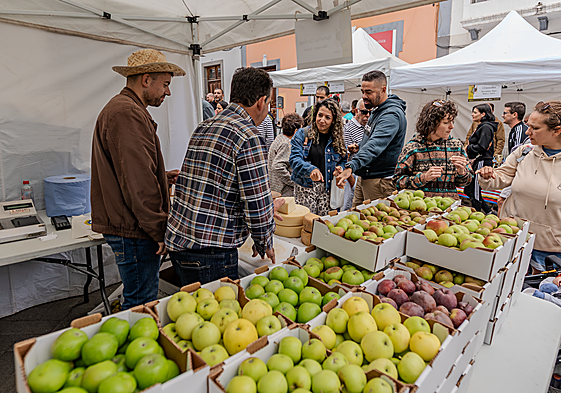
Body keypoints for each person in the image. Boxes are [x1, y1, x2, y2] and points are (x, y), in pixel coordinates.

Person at [165, 67, 284, 286]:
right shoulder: (248, 136)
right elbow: (255, 200)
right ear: (261, 102)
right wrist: (264, 239)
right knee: (219, 317)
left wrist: (266, 209)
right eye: (268, 104)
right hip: (211, 251)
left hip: (181, 243)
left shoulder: (205, 126)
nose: (267, 109)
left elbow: (213, 186)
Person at [91, 49, 185, 310]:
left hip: (131, 225)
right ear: (146, 79)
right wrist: (159, 229)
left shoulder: (125, 109)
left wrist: (161, 177)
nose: (167, 92)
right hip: (135, 229)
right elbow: (138, 184)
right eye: (165, 84)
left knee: (138, 298)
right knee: (141, 304)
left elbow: (129, 170)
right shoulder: (126, 114)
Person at [477, 101, 561, 274]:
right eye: (528, 126)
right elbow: (501, 177)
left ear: (557, 131)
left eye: (535, 128)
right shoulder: (525, 152)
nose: (528, 132)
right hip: (512, 241)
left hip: (550, 254)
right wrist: (487, 175)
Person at [336, 70, 407, 206]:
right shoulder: (377, 109)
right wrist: (360, 147)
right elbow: (373, 140)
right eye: (362, 91)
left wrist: (351, 166)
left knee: (376, 224)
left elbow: (375, 145)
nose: (364, 97)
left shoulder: (391, 115)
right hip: (366, 177)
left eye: (369, 92)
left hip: (379, 182)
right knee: (356, 221)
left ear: (383, 89)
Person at [393, 100, 473, 198]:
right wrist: (424, 178)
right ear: (431, 124)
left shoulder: (456, 146)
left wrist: (462, 171)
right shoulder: (413, 148)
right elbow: (397, 182)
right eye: (446, 122)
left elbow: (466, 182)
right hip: (421, 209)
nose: (451, 126)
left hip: (450, 209)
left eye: (452, 121)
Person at [290, 99, 347, 215]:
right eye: (320, 115)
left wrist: (340, 169)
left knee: (323, 225)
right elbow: (294, 159)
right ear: (315, 114)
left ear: (333, 121)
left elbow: (343, 159)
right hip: (305, 187)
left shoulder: (337, 139)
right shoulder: (303, 134)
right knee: (307, 223)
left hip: (327, 189)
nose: (322, 120)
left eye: (327, 117)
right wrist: (311, 169)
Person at [497, 102, 529, 213]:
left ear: (514, 115)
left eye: (505, 113)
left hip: (519, 173)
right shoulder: (515, 130)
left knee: (502, 200)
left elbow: (519, 155)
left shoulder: (520, 130)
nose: (502, 115)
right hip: (516, 173)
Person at [465, 104, 496, 214]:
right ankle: (488, 210)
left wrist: (468, 148)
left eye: (475, 112)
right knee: (468, 189)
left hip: (482, 161)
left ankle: (477, 213)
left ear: (483, 114)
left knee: (475, 191)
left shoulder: (486, 127)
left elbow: (482, 146)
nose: (472, 114)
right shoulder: (481, 126)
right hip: (478, 160)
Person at [341, 99, 370, 210]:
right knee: (351, 205)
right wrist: (352, 182)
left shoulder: (370, 127)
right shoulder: (348, 129)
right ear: (356, 111)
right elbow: (345, 157)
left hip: (366, 174)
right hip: (354, 174)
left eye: (370, 112)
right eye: (364, 112)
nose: (367, 115)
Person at [268, 113, 304, 197]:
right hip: (283, 190)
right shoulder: (287, 144)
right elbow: (277, 166)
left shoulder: (279, 139)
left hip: (275, 187)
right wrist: (293, 181)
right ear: (296, 131)